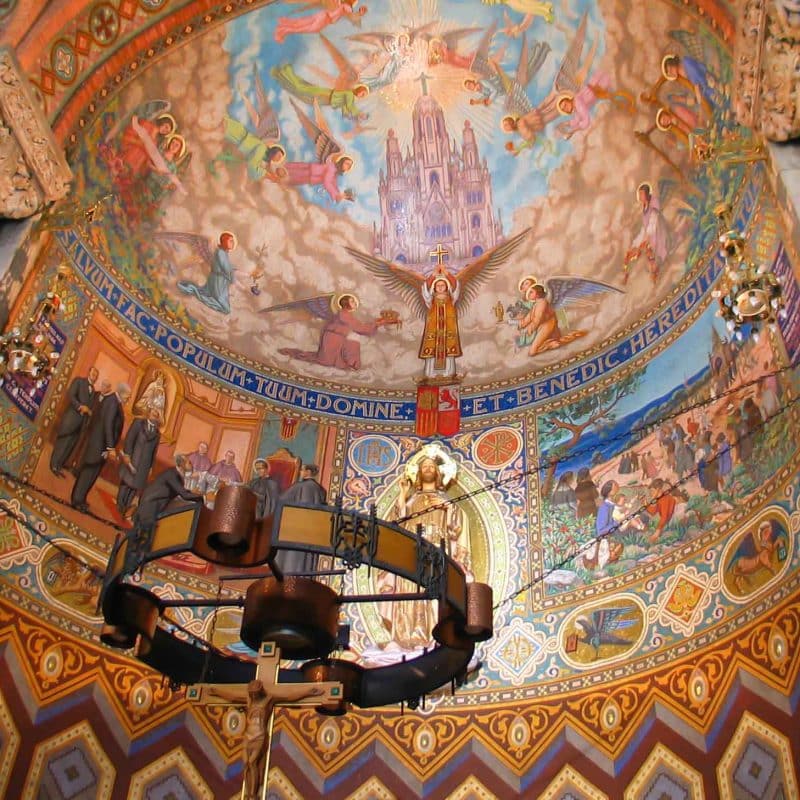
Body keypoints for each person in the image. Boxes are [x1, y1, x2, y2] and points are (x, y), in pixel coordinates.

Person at [380, 453, 468, 649]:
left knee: (434, 588)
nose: (428, 469)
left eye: (431, 467)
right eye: (424, 466)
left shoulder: (445, 501)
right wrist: (403, 493)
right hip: (413, 547)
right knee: (410, 588)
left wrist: (446, 507)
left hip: (436, 547)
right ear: (419, 473)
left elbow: (456, 528)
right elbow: (399, 521)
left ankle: (433, 634)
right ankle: (406, 635)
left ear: (437, 473)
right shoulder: (412, 500)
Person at [208, 680, 325, 800]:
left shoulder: (269, 699)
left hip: (259, 735)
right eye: (251, 693)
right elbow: (232, 698)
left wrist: (308, 692)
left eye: (255, 693)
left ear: (260, 691)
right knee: (246, 764)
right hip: (248, 735)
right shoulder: (249, 701)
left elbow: (290, 697)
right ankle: (248, 794)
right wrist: (216, 692)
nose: (253, 695)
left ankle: (252, 795)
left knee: (252, 762)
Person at [125, 453, 202, 571]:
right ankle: (131, 567)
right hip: (150, 504)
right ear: (181, 464)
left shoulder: (176, 475)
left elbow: (181, 492)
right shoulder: (172, 474)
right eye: (188, 462)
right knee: (143, 537)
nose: (191, 464)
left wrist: (192, 494)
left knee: (142, 537)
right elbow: (184, 494)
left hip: (151, 504)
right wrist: (202, 498)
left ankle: (133, 565)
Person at [279, 294, 389, 370]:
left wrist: (377, 323)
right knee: (352, 339)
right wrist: (377, 324)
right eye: (352, 301)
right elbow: (359, 327)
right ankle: (351, 363)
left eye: (354, 301)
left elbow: (359, 327)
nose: (355, 303)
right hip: (332, 339)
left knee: (353, 338)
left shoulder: (347, 315)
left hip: (337, 338)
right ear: (346, 303)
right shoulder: (343, 314)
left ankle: (350, 362)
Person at [71, 382, 131, 513]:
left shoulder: (113, 401)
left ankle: (80, 499)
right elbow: (108, 425)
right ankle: (77, 500)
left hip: (100, 445)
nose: (129, 398)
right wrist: (110, 448)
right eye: (128, 396)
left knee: (91, 474)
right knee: (88, 473)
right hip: (99, 445)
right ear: (121, 393)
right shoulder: (113, 402)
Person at [274, 464, 327, 576]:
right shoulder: (321, 490)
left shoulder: (299, 487)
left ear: (308, 472)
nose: (300, 472)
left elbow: (281, 500)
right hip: (311, 533)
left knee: (290, 560)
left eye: (302, 470)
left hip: (295, 529)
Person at [271, 64, 369, 121]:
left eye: (363, 96)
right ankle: (287, 71)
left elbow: (345, 110)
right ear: (360, 90)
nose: (362, 96)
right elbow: (351, 107)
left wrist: (351, 116)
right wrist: (359, 114)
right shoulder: (350, 95)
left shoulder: (349, 97)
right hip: (324, 95)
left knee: (303, 94)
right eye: (363, 94)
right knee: (302, 88)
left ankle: (281, 76)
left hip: (325, 100)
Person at [50, 366, 98, 477]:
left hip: (80, 424)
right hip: (71, 419)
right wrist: (80, 406)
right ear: (89, 372)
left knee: (70, 445)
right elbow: (71, 396)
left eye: (96, 375)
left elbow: (89, 406)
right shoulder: (79, 381)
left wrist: (89, 411)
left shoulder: (94, 391)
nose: (94, 376)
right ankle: (53, 464)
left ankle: (59, 466)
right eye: (93, 373)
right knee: (62, 443)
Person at [177, 231, 238, 314]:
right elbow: (226, 268)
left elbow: (228, 268)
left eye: (233, 241)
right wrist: (233, 279)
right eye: (231, 241)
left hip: (220, 281)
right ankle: (195, 290)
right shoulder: (221, 253)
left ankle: (197, 291)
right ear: (224, 241)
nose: (233, 243)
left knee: (225, 307)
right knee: (225, 309)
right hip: (217, 281)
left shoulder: (223, 253)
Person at [116, 407, 162, 517]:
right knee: (126, 482)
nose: (154, 416)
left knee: (135, 486)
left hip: (144, 464)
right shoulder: (139, 423)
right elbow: (130, 439)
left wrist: (150, 466)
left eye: (156, 415)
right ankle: (120, 504)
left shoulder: (157, 433)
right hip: (133, 459)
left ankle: (126, 505)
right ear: (148, 413)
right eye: (153, 413)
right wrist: (127, 455)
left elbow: (154, 452)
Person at [623, 182, 671, 285]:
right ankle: (627, 276)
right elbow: (644, 228)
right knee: (632, 252)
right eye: (639, 194)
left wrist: (646, 239)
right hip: (648, 234)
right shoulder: (644, 209)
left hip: (657, 234)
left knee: (649, 250)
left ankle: (655, 273)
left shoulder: (653, 206)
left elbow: (653, 223)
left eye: (641, 194)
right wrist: (636, 243)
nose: (640, 196)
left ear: (646, 194)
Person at [419, 270, 462, 380]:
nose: (440, 287)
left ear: (447, 287)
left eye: (443, 285)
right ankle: (430, 374)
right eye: (438, 285)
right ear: (434, 287)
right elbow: (425, 290)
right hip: (434, 330)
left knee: (448, 349)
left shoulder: (451, 298)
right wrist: (433, 275)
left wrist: (447, 273)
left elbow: (456, 286)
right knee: (432, 350)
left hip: (448, 329)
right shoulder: (431, 299)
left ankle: (449, 373)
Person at [274, 0, 366, 43]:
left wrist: (359, 13)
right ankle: (283, 30)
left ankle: (284, 24)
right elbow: (352, 16)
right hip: (326, 19)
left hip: (324, 15)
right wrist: (360, 13)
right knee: (307, 28)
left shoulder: (340, 3)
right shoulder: (348, 7)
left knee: (304, 23)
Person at [284, 153, 354, 204]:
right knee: (290, 171)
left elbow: (334, 184)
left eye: (349, 166)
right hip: (309, 172)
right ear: (341, 162)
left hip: (310, 177)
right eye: (347, 163)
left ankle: (282, 178)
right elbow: (327, 182)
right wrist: (336, 194)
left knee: (291, 180)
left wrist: (338, 195)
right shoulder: (332, 168)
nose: (348, 167)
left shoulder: (335, 173)